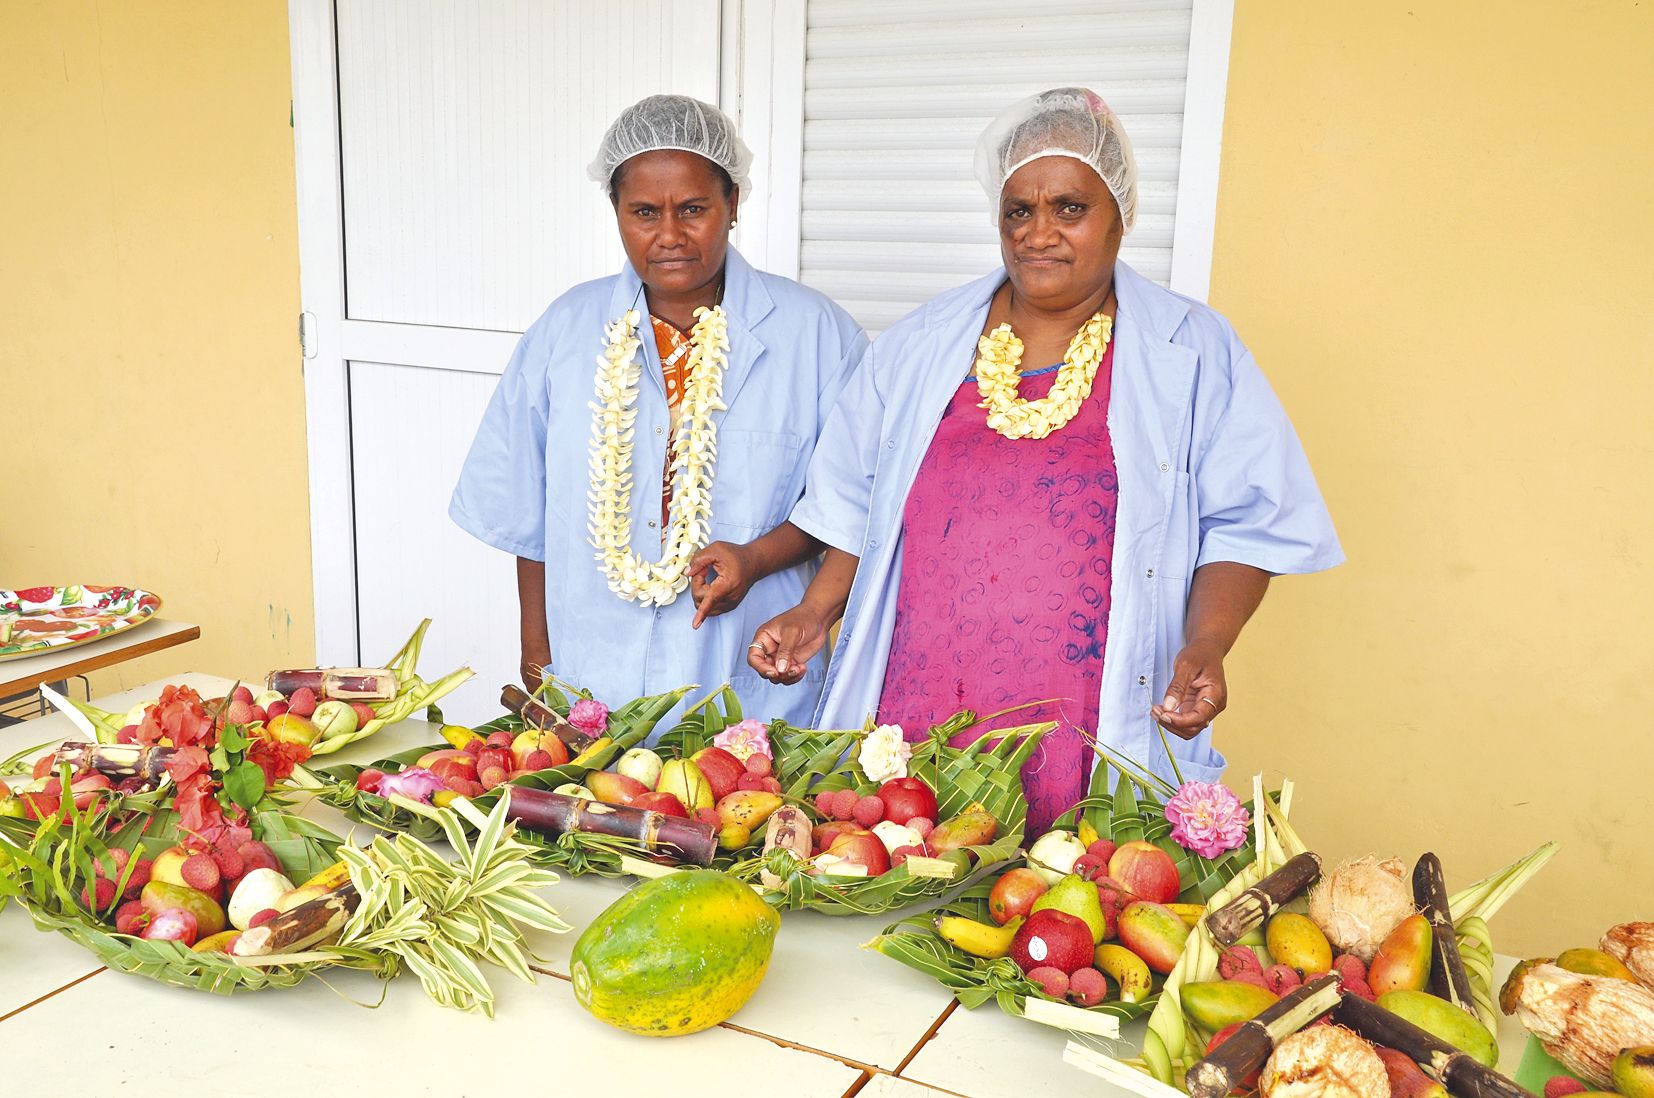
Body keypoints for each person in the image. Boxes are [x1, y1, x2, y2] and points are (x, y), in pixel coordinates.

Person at [698, 88, 1341, 831]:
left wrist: (1207, 642)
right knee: (911, 877)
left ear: (1120, 213)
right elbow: (861, 504)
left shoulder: (1194, 351)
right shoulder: (922, 344)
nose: (1040, 233)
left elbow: (1248, 522)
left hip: (1086, 718)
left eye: (1070, 208)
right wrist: (816, 611)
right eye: (1019, 211)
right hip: (922, 706)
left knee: (1065, 902)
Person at [450, 94, 866, 726]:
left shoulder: (818, 335)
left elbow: (851, 505)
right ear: (616, 211)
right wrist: (538, 666)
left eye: (693, 209)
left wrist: (755, 560)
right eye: (644, 211)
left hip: (746, 682)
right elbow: (525, 515)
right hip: (590, 683)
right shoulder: (565, 332)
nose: (669, 235)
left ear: (733, 204)